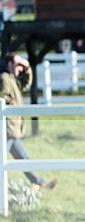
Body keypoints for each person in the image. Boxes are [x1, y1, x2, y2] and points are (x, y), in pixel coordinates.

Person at [1, 54, 59, 191]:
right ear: (9, 64)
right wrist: (11, 105)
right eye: (17, 64)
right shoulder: (4, 78)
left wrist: (25, 65)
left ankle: (40, 183)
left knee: (24, 159)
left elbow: (26, 81)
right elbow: (1, 97)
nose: (20, 68)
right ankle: (40, 183)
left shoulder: (11, 79)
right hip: (8, 128)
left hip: (12, 129)